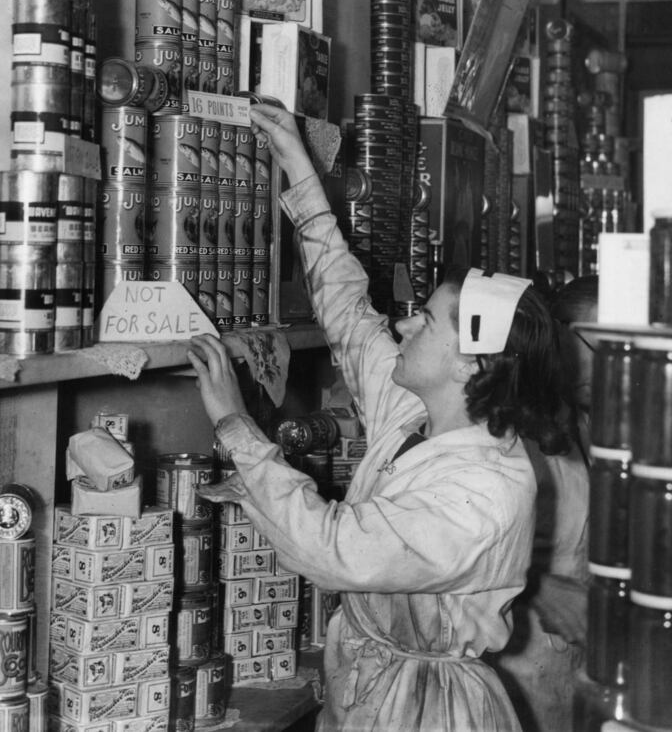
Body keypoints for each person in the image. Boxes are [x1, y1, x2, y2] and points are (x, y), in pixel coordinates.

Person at [187, 103, 578, 732]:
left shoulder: (487, 491)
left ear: (469, 367)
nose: (404, 323)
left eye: (426, 321)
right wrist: (301, 175)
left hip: (429, 711)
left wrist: (237, 426)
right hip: (371, 684)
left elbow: (332, 547)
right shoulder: (416, 416)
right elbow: (348, 313)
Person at [486, 276, 597, 732]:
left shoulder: (591, 421)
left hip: (575, 665)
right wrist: (539, 586)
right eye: (602, 344)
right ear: (559, 335)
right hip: (513, 665)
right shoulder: (506, 426)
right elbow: (442, 546)